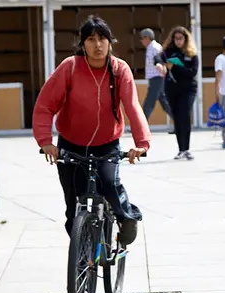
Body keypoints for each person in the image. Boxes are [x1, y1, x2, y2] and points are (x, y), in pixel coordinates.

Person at [33, 15, 149, 244]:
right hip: (71, 144)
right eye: (91, 39)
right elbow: (45, 105)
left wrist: (141, 143)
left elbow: (132, 106)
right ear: (82, 44)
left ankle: (127, 217)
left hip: (107, 143)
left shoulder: (119, 69)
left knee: (110, 184)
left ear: (110, 42)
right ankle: (82, 251)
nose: (97, 45)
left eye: (102, 39)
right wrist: (45, 141)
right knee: (72, 204)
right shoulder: (70, 67)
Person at [156, 26, 200, 160]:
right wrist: (160, 64)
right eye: (176, 38)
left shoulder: (191, 54)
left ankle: (187, 149)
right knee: (177, 117)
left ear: (186, 39)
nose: (178, 41)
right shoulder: (168, 52)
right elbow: (158, 57)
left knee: (184, 115)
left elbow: (192, 72)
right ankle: (180, 149)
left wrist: (175, 67)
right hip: (172, 88)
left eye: (181, 38)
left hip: (188, 89)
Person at [139, 28, 172, 124]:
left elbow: (161, 60)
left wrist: (160, 66)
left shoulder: (154, 47)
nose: (141, 41)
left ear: (147, 38)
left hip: (157, 78)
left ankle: (141, 126)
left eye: (142, 38)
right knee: (164, 103)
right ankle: (179, 122)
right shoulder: (151, 47)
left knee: (149, 102)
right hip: (155, 78)